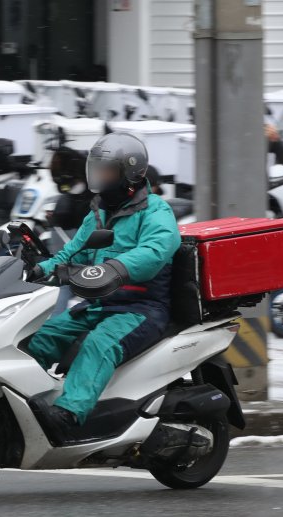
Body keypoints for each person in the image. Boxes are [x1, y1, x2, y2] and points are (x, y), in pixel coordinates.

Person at [26, 133, 181, 445]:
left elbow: (156, 250)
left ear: (130, 173)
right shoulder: (98, 212)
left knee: (99, 345)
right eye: (97, 169)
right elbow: (73, 254)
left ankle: (69, 416)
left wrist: (116, 268)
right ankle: (22, 405)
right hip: (98, 305)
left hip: (140, 309)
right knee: (41, 337)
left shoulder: (155, 211)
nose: (99, 177)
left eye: (107, 171)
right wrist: (40, 269)